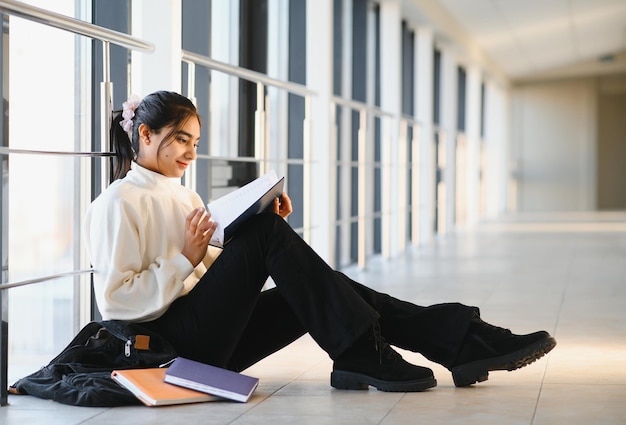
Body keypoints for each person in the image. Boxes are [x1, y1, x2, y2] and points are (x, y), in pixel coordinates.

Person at [83, 90, 556, 392]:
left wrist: (245, 225)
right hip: (171, 348)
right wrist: (187, 259)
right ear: (144, 134)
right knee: (281, 249)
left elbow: (206, 276)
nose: (191, 151)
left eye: (195, 142)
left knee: (324, 288)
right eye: (181, 139)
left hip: (209, 332)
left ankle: (449, 341)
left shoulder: (183, 193)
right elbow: (117, 303)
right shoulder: (117, 203)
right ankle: (426, 343)